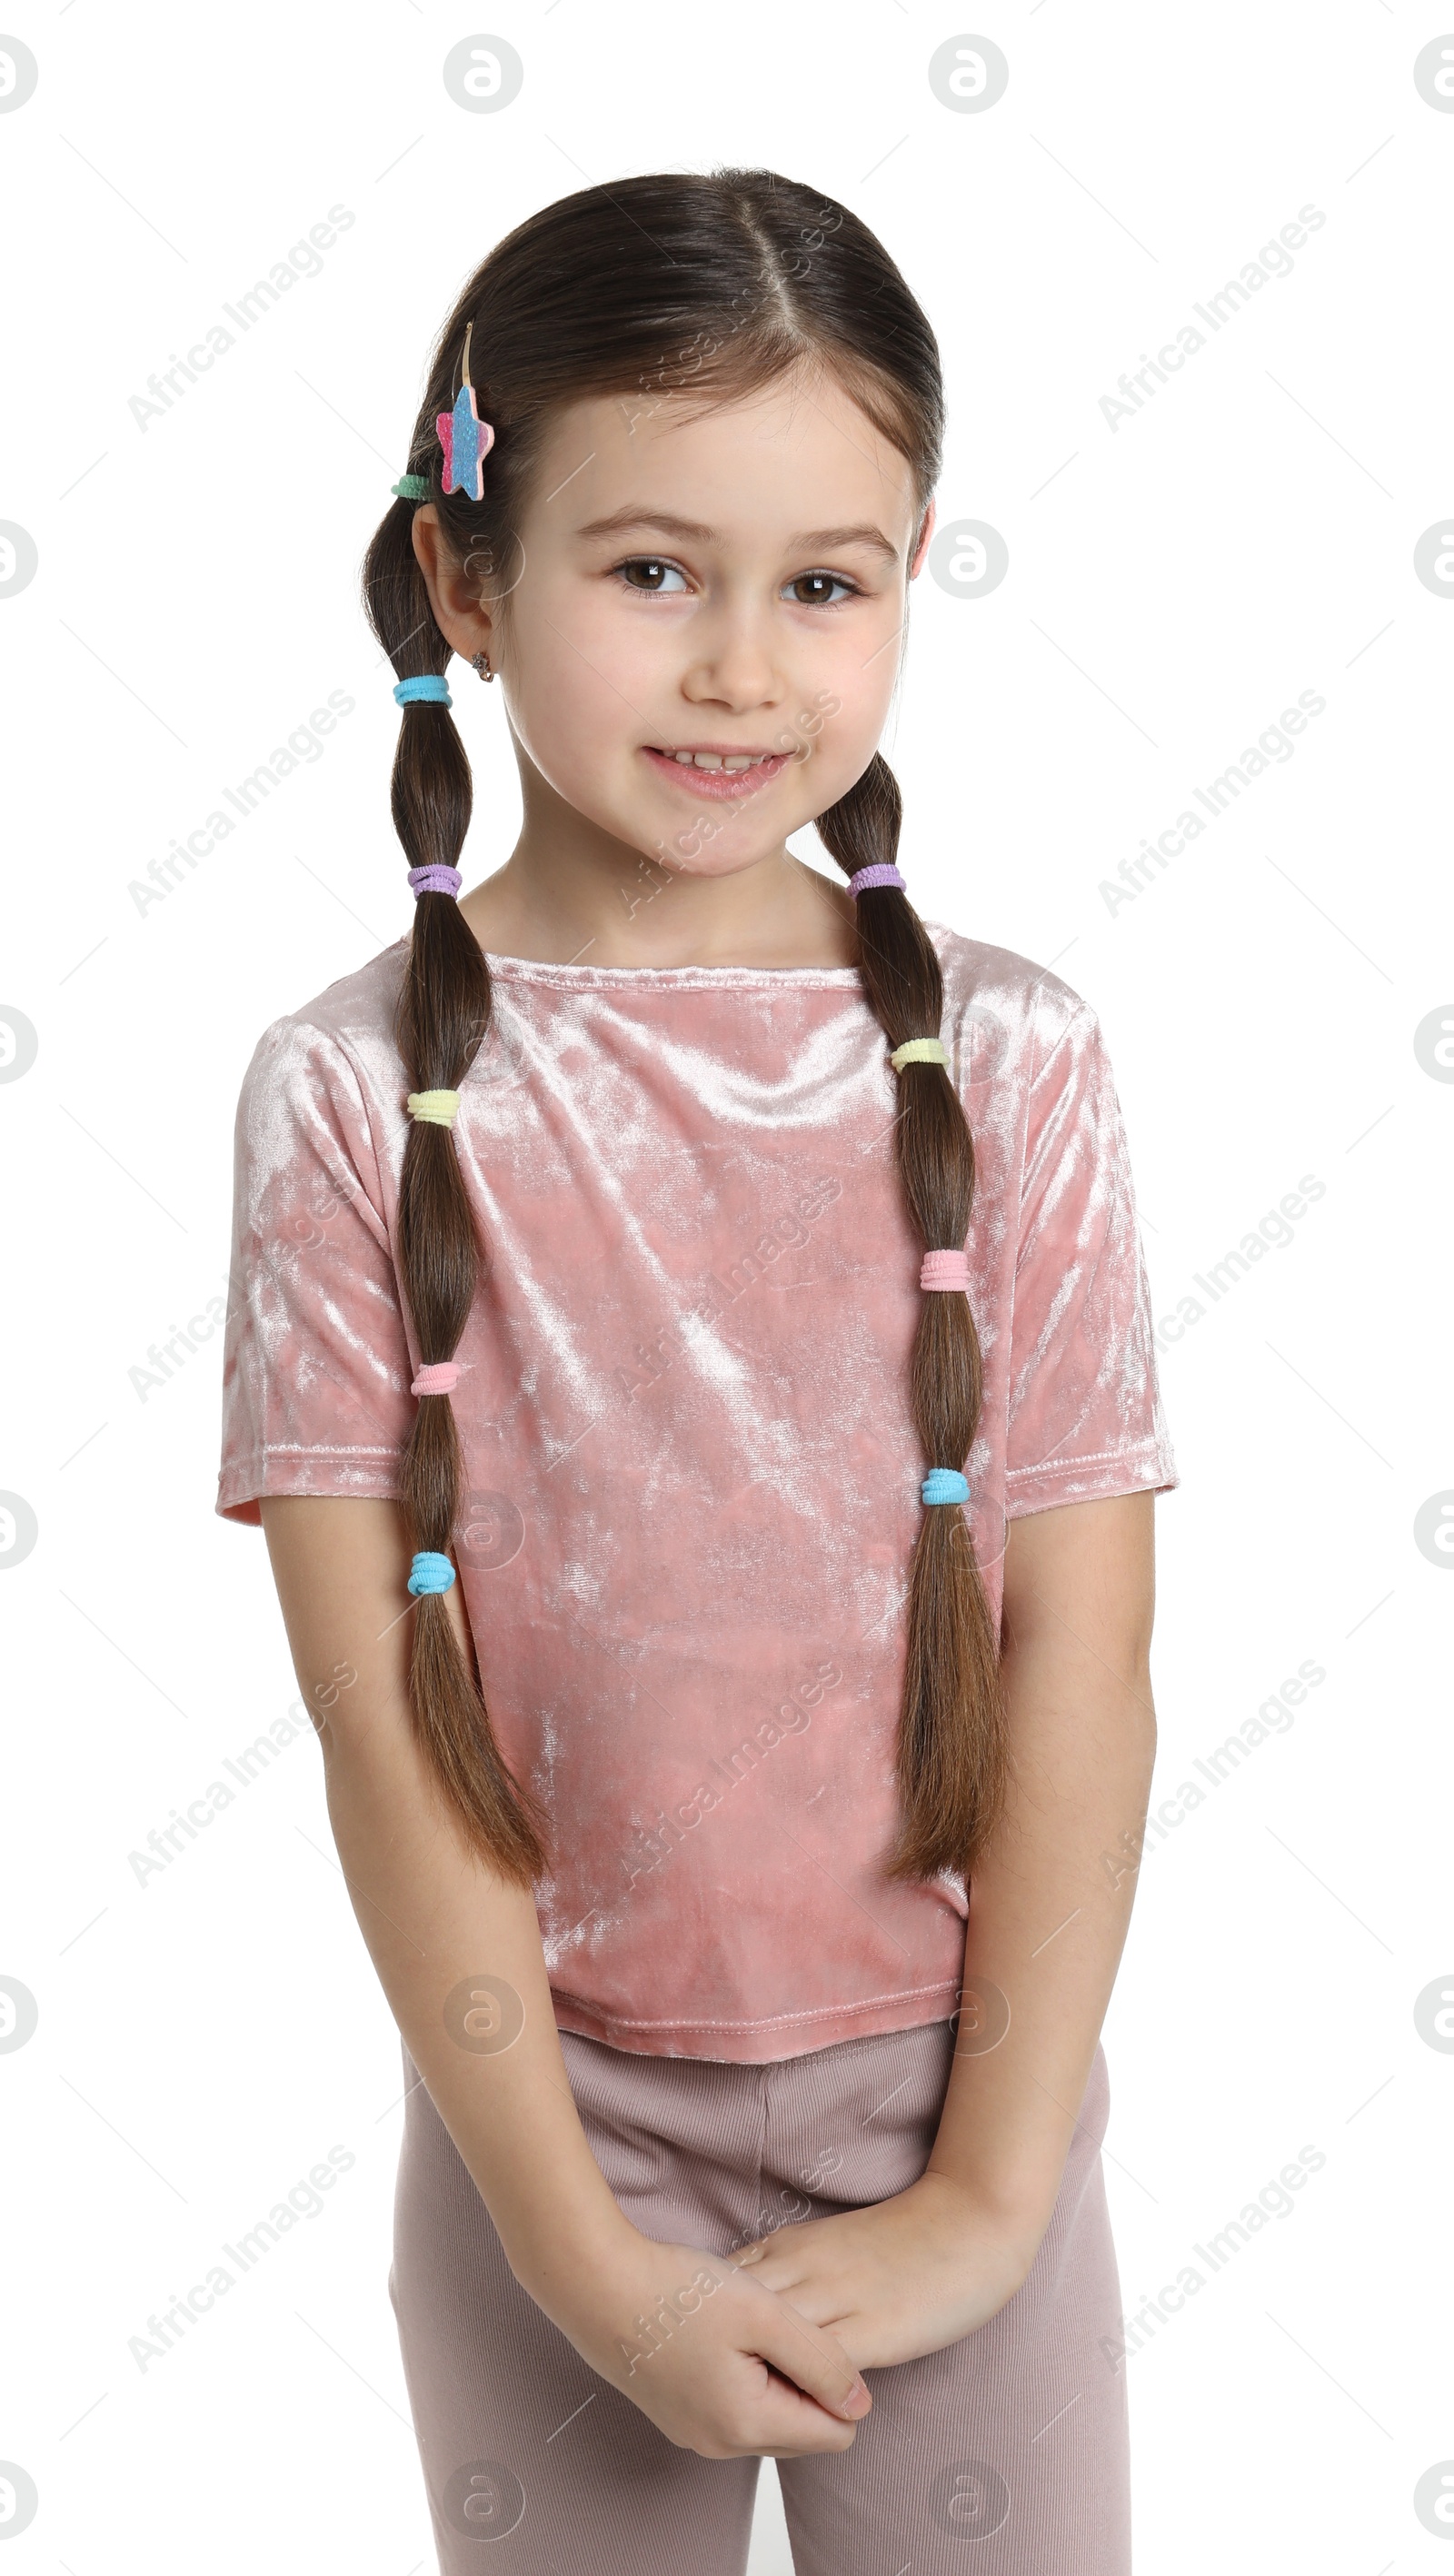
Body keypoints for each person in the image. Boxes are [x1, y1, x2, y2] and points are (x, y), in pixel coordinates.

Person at [217, 166, 1178, 2575]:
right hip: (548, 2125)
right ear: (465, 578)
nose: (747, 667)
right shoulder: (346, 1098)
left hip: (970, 2105)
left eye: (824, 583)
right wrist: (569, 2243)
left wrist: (984, 2189)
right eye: (655, 571)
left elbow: (1086, 1658)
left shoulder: (1021, 1064)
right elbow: (376, 1718)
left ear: (912, 569)